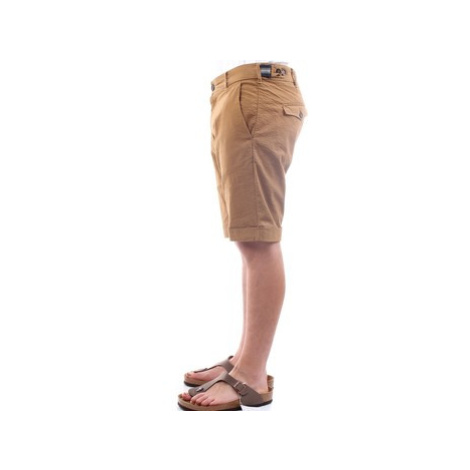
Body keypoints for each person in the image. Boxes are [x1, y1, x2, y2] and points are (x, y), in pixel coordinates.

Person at [178, 61, 307, 411]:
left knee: (259, 238)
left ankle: (252, 373)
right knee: (248, 236)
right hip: (238, 91)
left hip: (255, 91)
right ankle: (244, 360)